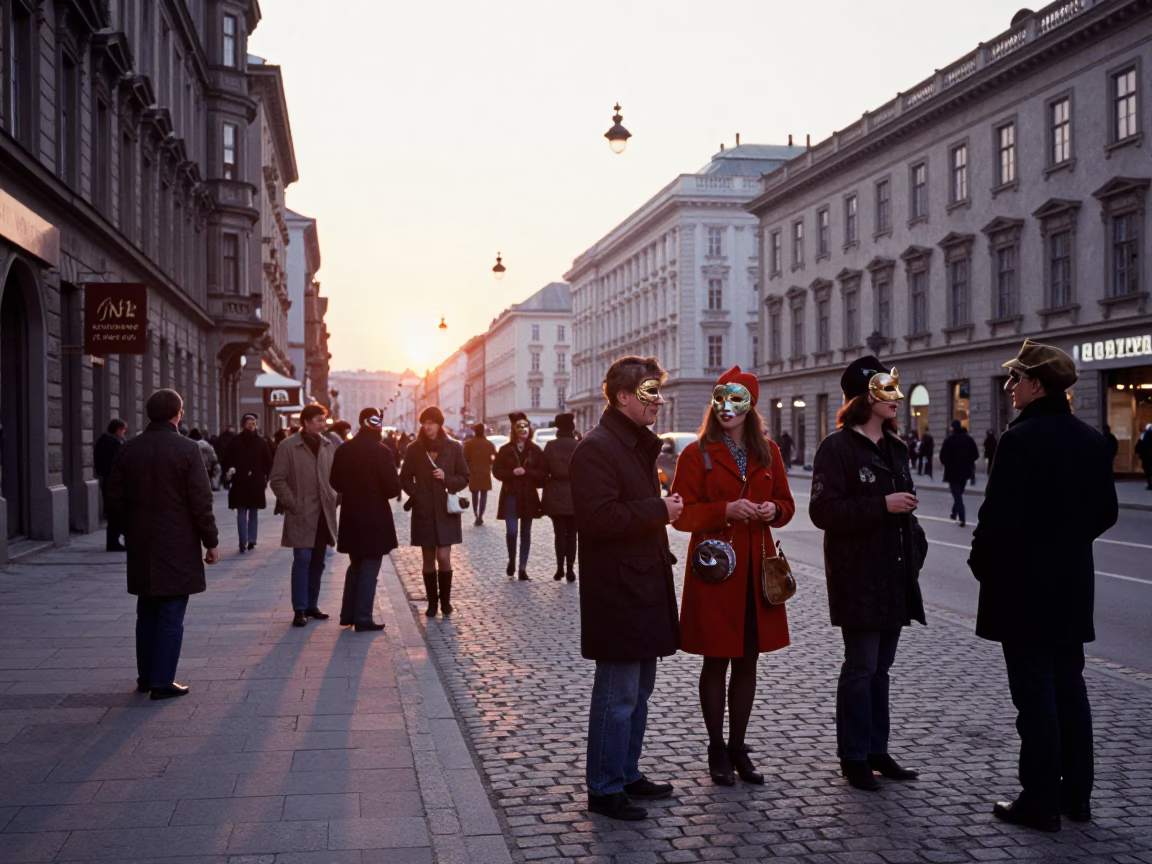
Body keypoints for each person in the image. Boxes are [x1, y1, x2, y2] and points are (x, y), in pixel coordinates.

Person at [969, 340, 1118, 832]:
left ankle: (1040, 801)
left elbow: (998, 522)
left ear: (1037, 384)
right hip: (1072, 587)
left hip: (1025, 591)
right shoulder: (1091, 439)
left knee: (1035, 697)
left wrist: (984, 563)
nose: (1010, 387)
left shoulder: (1019, 441)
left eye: (1016, 379)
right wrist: (1068, 543)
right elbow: (1107, 512)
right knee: (1070, 691)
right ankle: (1078, 796)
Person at [570, 355, 683, 822]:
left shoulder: (633, 445)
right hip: (618, 591)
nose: (659, 401)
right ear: (621, 396)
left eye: (658, 391)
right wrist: (661, 511)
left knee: (639, 693)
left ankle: (626, 772)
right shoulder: (597, 448)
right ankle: (605, 786)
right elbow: (598, 519)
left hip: (643, 585)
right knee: (617, 694)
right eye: (649, 392)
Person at [671, 366, 795, 787]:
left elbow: (786, 503)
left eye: (736, 402)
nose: (726, 410)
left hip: (756, 572)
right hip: (716, 572)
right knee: (715, 659)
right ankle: (716, 748)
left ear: (750, 407)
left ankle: (739, 747)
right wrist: (724, 510)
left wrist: (771, 511)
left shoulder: (769, 453)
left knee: (748, 661)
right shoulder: (697, 453)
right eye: (720, 401)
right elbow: (681, 515)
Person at [809, 356, 928, 792]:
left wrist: (916, 546)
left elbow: (907, 505)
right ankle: (853, 756)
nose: (896, 400)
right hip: (858, 576)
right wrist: (882, 505)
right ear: (864, 398)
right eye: (886, 392)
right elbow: (822, 511)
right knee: (860, 667)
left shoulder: (896, 447)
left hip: (894, 575)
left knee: (881, 669)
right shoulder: (837, 447)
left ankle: (878, 750)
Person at [105, 389, 219, 700]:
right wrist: (210, 541)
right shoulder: (187, 449)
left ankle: (146, 676)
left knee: (147, 610)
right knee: (171, 611)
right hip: (178, 541)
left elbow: (113, 498)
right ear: (177, 414)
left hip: (143, 542)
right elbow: (201, 500)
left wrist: (133, 527)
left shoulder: (129, 449)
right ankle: (162, 680)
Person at [330, 407, 401, 631]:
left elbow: (335, 482)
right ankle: (362, 617)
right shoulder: (381, 451)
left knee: (356, 564)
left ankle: (348, 614)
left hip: (352, 514)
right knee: (371, 565)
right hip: (375, 516)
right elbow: (392, 488)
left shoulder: (344, 449)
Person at [269, 403, 339, 627]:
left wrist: (334, 497)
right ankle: (299, 608)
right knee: (302, 560)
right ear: (306, 422)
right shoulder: (288, 446)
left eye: (323, 420)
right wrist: (293, 503)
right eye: (318, 420)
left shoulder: (328, 445)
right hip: (301, 513)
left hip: (323, 514)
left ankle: (312, 605)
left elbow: (335, 476)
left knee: (318, 561)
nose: (322, 424)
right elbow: (277, 479)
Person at [400, 406, 469, 617]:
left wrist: (446, 478)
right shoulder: (414, 449)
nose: (427, 426)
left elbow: (465, 477)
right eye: (424, 422)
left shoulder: (454, 447)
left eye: (431, 422)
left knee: (444, 557)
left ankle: (446, 602)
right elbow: (404, 477)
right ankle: (432, 603)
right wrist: (416, 493)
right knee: (428, 558)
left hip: (445, 510)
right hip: (424, 510)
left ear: (439, 424)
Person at [493, 413, 546, 580]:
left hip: (528, 495)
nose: (523, 430)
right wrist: (512, 473)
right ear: (514, 430)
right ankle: (511, 560)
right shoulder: (505, 449)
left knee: (526, 533)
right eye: (519, 427)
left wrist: (527, 471)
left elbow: (542, 473)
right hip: (511, 494)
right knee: (512, 531)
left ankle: (523, 567)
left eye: (525, 426)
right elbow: (496, 471)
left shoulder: (535, 450)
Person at [224, 413, 274, 554]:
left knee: (253, 511)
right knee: (242, 511)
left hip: (254, 481)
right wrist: (230, 471)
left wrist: (265, 476)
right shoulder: (238, 441)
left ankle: (250, 539)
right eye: (249, 422)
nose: (251, 425)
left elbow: (268, 462)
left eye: (253, 422)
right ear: (244, 424)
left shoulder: (261, 441)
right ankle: (244, 540)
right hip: (241, 481)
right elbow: (228, 459)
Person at [542, 413, 579, 582]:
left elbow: (543, 471)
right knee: (572, 534)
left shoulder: (550, 446)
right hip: (575, 495)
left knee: (559, 534)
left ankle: (559, 569)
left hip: (555, 493)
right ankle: (570, 569)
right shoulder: (578, 445)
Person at [94, 418, 128, 551]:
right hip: (113, 484)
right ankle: (114, 542)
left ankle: (114, 541)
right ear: (118, 430)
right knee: (116, 513)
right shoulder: (113, 443)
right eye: (124, 431)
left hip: (109, 482)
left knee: (114, 513)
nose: (124, 434)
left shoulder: (105, 441)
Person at [939, 419, 979, 527]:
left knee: (957, 496)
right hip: (965, 472)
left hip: (952, 472)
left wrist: (948, 463)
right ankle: (953, 513)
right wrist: (968, 461)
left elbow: (942, 456)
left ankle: (962, 518)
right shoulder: (968, 439)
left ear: (953, 427)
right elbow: (976, 454)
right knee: (958, 494)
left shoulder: (949, 440)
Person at [463, 423, 497, 526]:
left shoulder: (468, 444)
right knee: (483, 495)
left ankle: (476, 514)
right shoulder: (489, 444)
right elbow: (495, 456)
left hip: (473, 471)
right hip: (485, 472)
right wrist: (490, 464)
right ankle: (480, 516)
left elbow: (464, 458)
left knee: (474, 494)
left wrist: (468, 467)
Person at [1137, 424, 1152, 490]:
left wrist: (1140, 452)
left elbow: (1139, 445)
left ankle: (1150, 483)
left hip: (1146, 456)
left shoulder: (1143, 435)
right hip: (1147, 456)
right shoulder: (1144, 435)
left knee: (1147, 471)